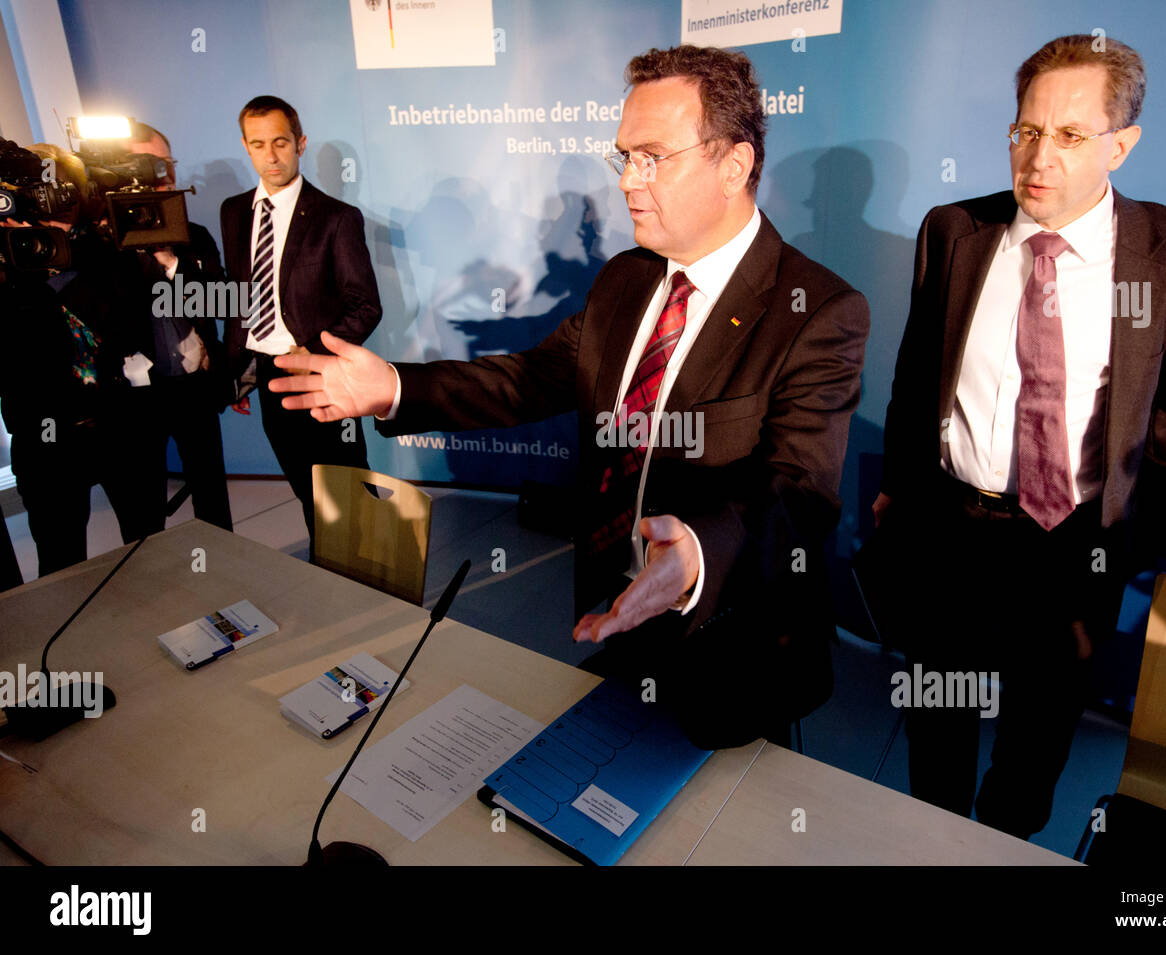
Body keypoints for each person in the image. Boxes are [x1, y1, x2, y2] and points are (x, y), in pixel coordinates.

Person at [269, 45, 871, 749]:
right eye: (624, 157)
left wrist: (698, 554)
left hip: (731, 637)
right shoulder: (625, 278)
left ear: (733, 165)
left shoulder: (819, 309)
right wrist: (394, 387)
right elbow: (532, 378)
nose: (628, 182)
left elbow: (799, 490)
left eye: (653, 156)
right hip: (612, 607)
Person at [873, 34, 1166, 839]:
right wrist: (900, 485)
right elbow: (914, 378)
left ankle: (1005, 848)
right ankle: (932, 847)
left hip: (1075, 548)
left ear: (1123, 143)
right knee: (938, 725)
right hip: (950, 532)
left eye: (1072, 135)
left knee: (1033, 752)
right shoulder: (953, 232)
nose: (1038, 157)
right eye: (1026, 130)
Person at [220, 96, 381, 542]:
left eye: (280, 142)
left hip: (319, 372)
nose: (270, 156)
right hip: (266, 373)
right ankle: (333, 575)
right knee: (308, 494)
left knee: (347, 490)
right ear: (245, 147)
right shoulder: (233, 211)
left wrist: (309, 353)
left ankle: (372, 577)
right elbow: (241, 291)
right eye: (257, 145)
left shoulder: (336, 218)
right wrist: (239, 367)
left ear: (300, 142)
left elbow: (366, 305)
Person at [0, 142, 161, 576]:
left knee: (150, 549)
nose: (56, 205)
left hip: (121, 423)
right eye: (40, 194)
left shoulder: (111, 256)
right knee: (60, 563)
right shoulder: (8, 267)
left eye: (65, 193)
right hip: (45, 439)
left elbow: (130, 327)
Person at [120, 122, 233, 530]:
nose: (158, 175)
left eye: (164, 164)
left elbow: (221, 303)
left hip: (195, 389)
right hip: (137, 399)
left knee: (213, 505)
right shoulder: (102, 247)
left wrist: (171, 262)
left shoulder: (194, 236)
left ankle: (226, 580)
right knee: (143, 514)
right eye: (144, 165)